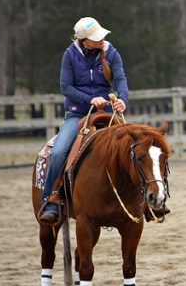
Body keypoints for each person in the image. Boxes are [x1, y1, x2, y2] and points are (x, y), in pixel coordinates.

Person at [38, 17, 129, 224]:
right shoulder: (70, 55)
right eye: (95, 38)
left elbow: (120, 78)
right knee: (60, 151)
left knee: (134, 147)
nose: (101, 40)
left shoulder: (111, 53)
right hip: (78, 114)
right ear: (83, 40)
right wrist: (89, 99)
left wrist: (122, 99)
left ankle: (141, 199)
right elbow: (65, 87)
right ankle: (51, 199)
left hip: (107, 112)